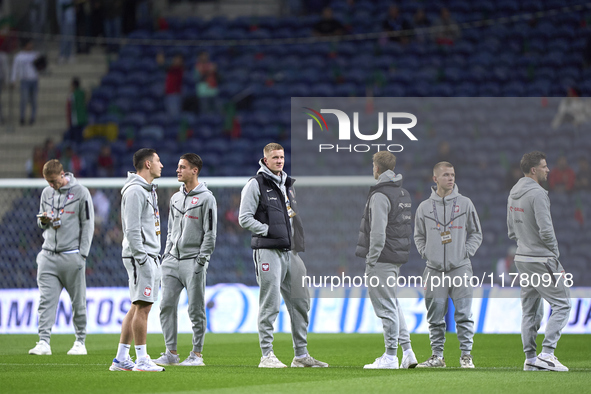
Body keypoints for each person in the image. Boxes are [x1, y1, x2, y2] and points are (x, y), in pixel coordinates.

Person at [239, 143, 328, 368]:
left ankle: (301, 355)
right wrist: (269, 231)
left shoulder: (287, 184)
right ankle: (266, 355)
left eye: (281, 157)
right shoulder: (255, 184)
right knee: (270, 304)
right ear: (265, 160)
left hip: (291, 252)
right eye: (275, 157)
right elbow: (244, 218)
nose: (279, 160)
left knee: (301, 302)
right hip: (268, 250)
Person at [414, 161, 482, 368]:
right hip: (434, 270)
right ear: (435, 179)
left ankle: (466, 356)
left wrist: (466, 252)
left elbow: (476, 233)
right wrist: (427, 253)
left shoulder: (465, 203)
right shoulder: (424, 207)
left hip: (460, 268)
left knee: (464, 314)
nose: (450, 178)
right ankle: (437, 357)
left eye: (452, 174)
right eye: (445, 175)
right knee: (435, 316)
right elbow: (418, 236)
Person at [507, 151, 571, 372]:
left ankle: (531, 359)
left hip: (522, 258)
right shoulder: (539, 194)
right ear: (533, 170)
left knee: (530, 310)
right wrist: (554, 253)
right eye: (544, 166)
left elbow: (510, 230)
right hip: (541, 258)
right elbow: (546, 230)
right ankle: (548, 353)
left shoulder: (513, 193)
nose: (548, 170)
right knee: (563, 304)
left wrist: (525, 244)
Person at [355, 151, 418, 369]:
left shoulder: (380, 195)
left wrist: (371, 260)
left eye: (373, 166)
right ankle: (407, 351)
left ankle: (390, 357)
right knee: (393, 304)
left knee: (385, 308)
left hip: (381, 258)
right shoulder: (402, 193)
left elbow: (378, 233)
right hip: (395, 256)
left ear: (377, 168)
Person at [154, 153, 217, 367]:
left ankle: (197, 355)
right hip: (172, 260)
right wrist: (167, 254)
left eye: (182, 167)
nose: (177, 170)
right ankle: (171, 353)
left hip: (193, 261)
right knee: (166, 306)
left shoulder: (207, 198)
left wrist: (202, 260)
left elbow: (210, 233)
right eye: (178, 167)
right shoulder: (175, 198)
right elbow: (171, 229)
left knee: (195, 309)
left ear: (194, 170)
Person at [29, 160, 95, 356]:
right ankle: (43, 342)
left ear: (63, 175)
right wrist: (43, 221)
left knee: (78, 302)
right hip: (48, 255)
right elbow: (42, 223)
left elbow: (88, 225)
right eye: (48, 182)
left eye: (54, 181)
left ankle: (80, 341)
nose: (51, 185)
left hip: (71, 255)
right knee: (45, 301)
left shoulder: (81, 192)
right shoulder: (46, 193)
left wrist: (82, 254)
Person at [109, 148, 164, 372]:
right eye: (158, 161)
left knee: (137, 306)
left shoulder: (148, 190)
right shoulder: (135, 191)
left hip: (148, 254)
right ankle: (142, 359)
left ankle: (121, 358)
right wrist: (142, 258)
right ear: (148, 164)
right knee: (143, 307)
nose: (162, 165)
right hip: (140, 255)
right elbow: (131, 229)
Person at [11, 40, 40, 125]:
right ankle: (22, 117)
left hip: (34, 80)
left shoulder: (36, 55)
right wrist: (13, 80)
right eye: (29, 45)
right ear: (25, 45)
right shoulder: (19, 56)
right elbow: (14, 68)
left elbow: (41, 66)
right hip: (24, 80)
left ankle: (32, 117)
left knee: (34, 100)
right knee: (24, 100)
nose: (31, 47)